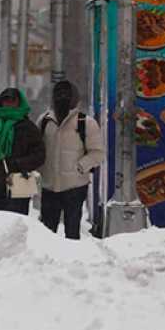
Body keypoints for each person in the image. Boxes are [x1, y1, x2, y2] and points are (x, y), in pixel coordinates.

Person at [37, 80, 105, 240]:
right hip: (49, 186)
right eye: (58, 94)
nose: (62, 98)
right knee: (46, 233)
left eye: (66, 94)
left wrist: (80, 167)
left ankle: (72, 261)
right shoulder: (44, 121)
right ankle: (46, 261)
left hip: (75, 187)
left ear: (75, 98)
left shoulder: (85, 122)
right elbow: (37, 148)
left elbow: (98, 153)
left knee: (72, 231)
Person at [0, 87, 46, 215]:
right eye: (6, 100)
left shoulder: (27, 127)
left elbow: (39, 155)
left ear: (19, 102)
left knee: (16, 224)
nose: (9, 103)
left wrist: (17, 164)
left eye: (12, 100)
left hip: (20, 182)